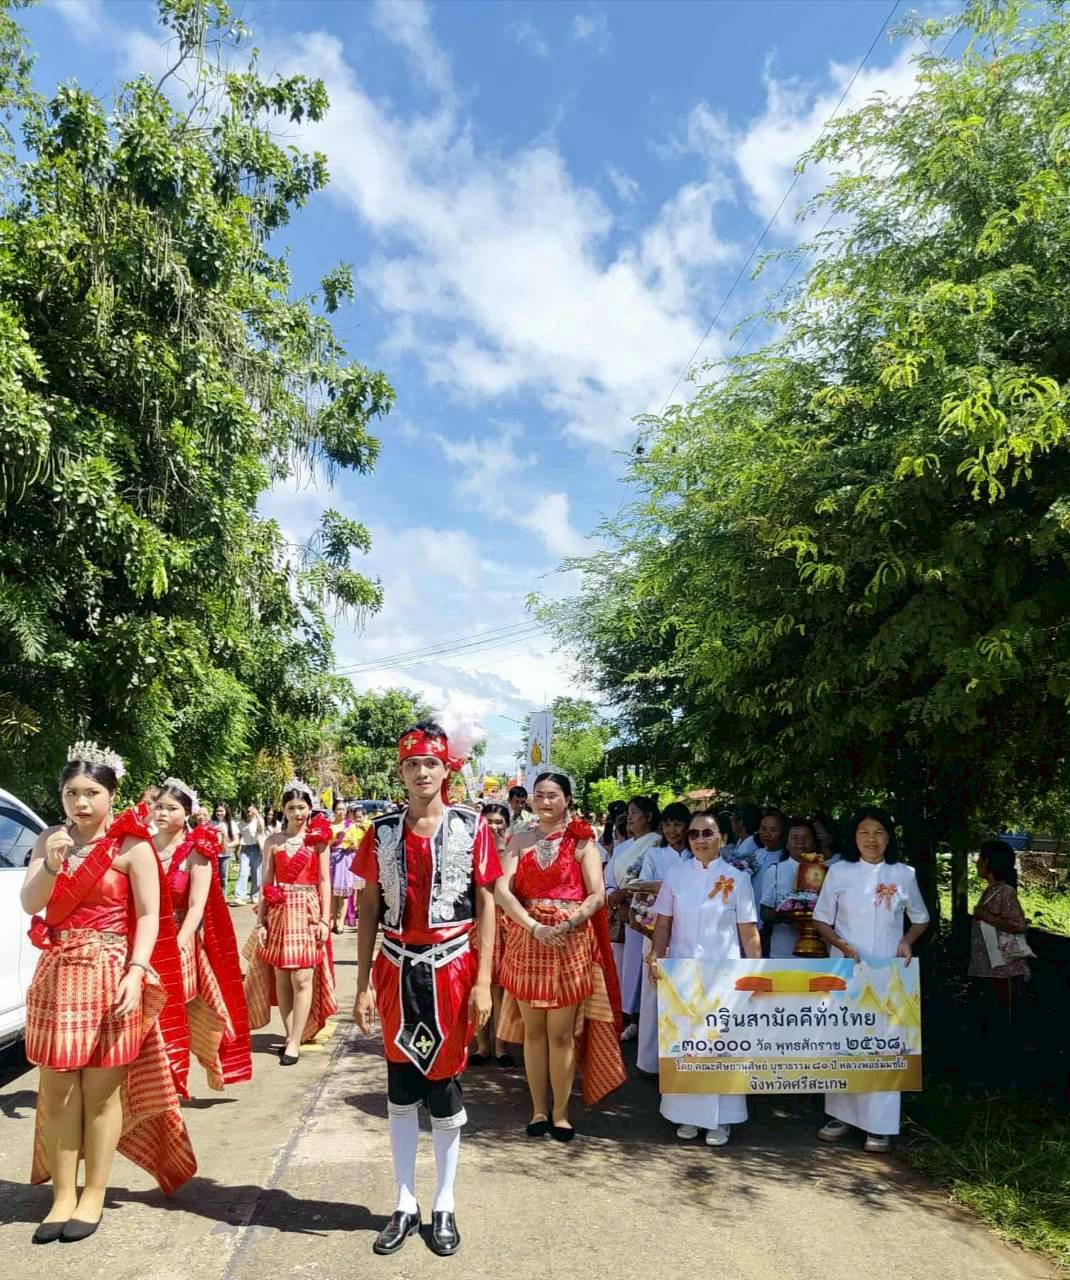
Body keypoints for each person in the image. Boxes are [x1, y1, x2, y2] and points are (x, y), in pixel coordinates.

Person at [21, 744, 195, 1243]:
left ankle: (93, 1193)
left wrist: (136, 971)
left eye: (92, 792)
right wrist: (51, 866)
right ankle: (62, 1196)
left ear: (112, 794)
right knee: (58, 1092)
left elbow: (149, 915)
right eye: (71, 792)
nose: (81, 802)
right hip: (58, 974)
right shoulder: (48, 841)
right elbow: (30, 903)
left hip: (112, 973)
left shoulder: (132, 846)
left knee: (100, 1093)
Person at [353, 720, 500, 1258]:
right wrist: (362, 983)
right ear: (401, 771)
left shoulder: (472, 826)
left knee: (444, 1087)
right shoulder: (380, 831)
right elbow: (369, 906)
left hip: (453, 969)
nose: (421, 772)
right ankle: (403, 1202)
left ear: (446, 769)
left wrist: (483, 981)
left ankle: (444, 1202)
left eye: (430, 763)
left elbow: (486, 904)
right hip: (395, 968)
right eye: (412, 764)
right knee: (399, 1086)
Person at [496, 773, 625, 1139]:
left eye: (553, 795)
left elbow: (597, 895)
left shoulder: (582, 842)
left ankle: (561, 1112)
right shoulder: (519, 840)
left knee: (562, 1034)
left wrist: (568, 923)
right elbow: (503, 891)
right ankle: (538, 1110)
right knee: (534, 1033)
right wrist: (533, 926)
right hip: (528, 941)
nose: (545, 802)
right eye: (539, 795)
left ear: (567, 799)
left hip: (570, 942)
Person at [812, 805, 929, 1152]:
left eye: (878, 833)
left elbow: (920, 917)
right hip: (846, 968)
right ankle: (840, 1116)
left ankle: (879, 1125)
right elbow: (821, 919)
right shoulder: (839, 872)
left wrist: (906, 941)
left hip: (889, 972)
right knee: (844, 1039)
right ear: (854, 837)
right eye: (864, 832)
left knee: (885, 1043)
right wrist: (841, 944)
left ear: (889, 838)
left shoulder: (903, 873)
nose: (871, 839)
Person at [648, 809, 761, 1146]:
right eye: (694, 834)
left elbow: (748, 931)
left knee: (721, 1043)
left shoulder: (738, 879)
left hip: (724, 975)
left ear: (722, 838)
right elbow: (663, 922)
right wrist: (656, 956)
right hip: (682, 973)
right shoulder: (676, 875)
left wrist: (756, 972)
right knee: (686, 1042)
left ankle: (721, 1120)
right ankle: (685, 1115)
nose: (699, 840)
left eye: (707, 833)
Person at [153, 779, 252, 1090]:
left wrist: (176, 945)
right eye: (159, 806)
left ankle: (172, 1084)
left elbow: (196, 906)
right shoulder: (142, 846)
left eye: (171, 808)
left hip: (179, 939)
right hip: (142, 938)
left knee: (173, 1014)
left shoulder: (196, 851)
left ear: (187, 813)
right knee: (147, 1016)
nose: (162, 813)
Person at [243, 780, 337, 1065]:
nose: (297, 813)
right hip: (279, 912)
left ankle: (296, 1040)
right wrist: (261, 923)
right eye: (292, 808)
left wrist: (325, 920)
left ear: (310, 809)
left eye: (302, 807)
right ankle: (289, 1034)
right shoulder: (273, 842)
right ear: (283, 810)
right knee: (282, 977)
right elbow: (266, 882)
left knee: (302, 978)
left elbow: (325, 881)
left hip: (307, 911)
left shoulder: (319, 840)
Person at [635, 802, 693, 1075]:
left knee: (684, 995)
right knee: (652, 996)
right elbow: (641, 885)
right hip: (655, 928)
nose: (672, 830)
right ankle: (649, 1062)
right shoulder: (655, 854)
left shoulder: (696, 854)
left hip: (689, 932)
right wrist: (673, 888)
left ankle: (681, 1059)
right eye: (667, 824)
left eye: (678, 824)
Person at [968, 839, 1032, 1058]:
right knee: (990, 1019)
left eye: (980, 858)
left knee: (1002, 1022)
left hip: (1004, 972)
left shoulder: (1005, 892)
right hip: (988, 969)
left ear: (987, 862)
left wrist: (985, 916)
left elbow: (1018, 925)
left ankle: (1004, 1065)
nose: (976, 862)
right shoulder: (992, 890)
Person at [605, 795, 661, 1040]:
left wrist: (628, 897)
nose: (630, 817)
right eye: (629, 813)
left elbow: (648, 879)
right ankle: (624, 1014)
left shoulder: (656, 843)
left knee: (639, 964)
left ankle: (637, 1017)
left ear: (649, 816)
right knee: (622, 965)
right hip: (619, 911)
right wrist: (614, 896)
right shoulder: (623, 847)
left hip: (642, 912)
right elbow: (609, 878)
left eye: (635, 813)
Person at [470, 802, 515, 1068]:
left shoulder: (514, 850)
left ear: (507, 825)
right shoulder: (470, 849)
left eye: (499, 822)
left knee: (500, 990)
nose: (494, 827)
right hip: (476, 924)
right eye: (488, 823)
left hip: (506, 924)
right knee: (478, 984)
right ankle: (482, 1046)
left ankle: (500, 1046)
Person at [759, 816, 822, 958]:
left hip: (818, 947)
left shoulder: (826, 871)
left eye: (806, 837)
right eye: (794, 837)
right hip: (783, 947)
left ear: (814, 843)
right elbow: (764, 912)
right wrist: (785, 913)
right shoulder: (775, 871)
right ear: (786, 843)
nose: (800, 841)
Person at [234, 804, 266, 906]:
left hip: (257, 848)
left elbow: (262, 828)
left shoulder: (258, 821)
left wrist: (257, 814)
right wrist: (237, 851)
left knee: (256, 873)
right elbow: (238, 837)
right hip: (245, 849)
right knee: (243, 872)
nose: (250, 813)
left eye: (252, 811)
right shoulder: (240, 823)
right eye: (248, 811)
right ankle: (239, 897)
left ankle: (255, 895)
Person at [752, 807, 787, 886]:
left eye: (773, 830)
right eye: (763, 829)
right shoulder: (757, 854)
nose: (767, 834)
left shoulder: (785, 858)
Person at [211, 803, 239, 899]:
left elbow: (236, 841)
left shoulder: (231, 824)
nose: (219, 813)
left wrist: (226, 846)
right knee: (213, 877)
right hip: (213, 854)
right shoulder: (211, 823)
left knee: (223, 877)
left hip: (225, 855)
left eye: (221, 811)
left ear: (226, 812)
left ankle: (222, 897)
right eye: (217, 811)